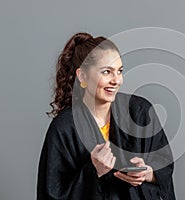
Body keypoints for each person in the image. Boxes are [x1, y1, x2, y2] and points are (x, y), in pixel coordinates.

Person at [37, 32, 176, 200]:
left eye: (119, 71)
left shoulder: (140, 112)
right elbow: (51, 193)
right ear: (82, 76)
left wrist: (149, 174)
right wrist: (93, 171)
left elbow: (164, 165)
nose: (116, 80)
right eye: (106, 72)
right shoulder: (65, 127)